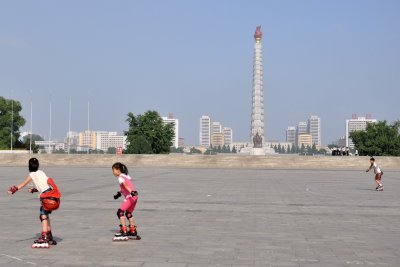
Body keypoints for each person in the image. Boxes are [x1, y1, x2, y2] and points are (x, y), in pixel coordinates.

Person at [7, 158, 61, 248]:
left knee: (43, 214)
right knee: (46, 215)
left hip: (47, 198)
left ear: (29, 166)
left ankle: (44, 236)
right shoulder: (41, 172)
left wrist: (13, 190)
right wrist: (35, 189)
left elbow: (23, 183)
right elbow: (45, 186)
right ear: (38, 165)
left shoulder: (32, 174)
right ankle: (49, 236)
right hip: (54, 197)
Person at [112, 162, 140, 240]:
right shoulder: (126, 176)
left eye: (113, 170)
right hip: (134, 197)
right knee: (128, 213)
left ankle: (124, 231)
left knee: (120, 212)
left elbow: (125, 185)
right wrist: (119, 194)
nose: (113, 172)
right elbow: (124, 188)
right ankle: (132, 230)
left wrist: (131, 192)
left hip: (130, 196)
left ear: (118, 170)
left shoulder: (120, 177)